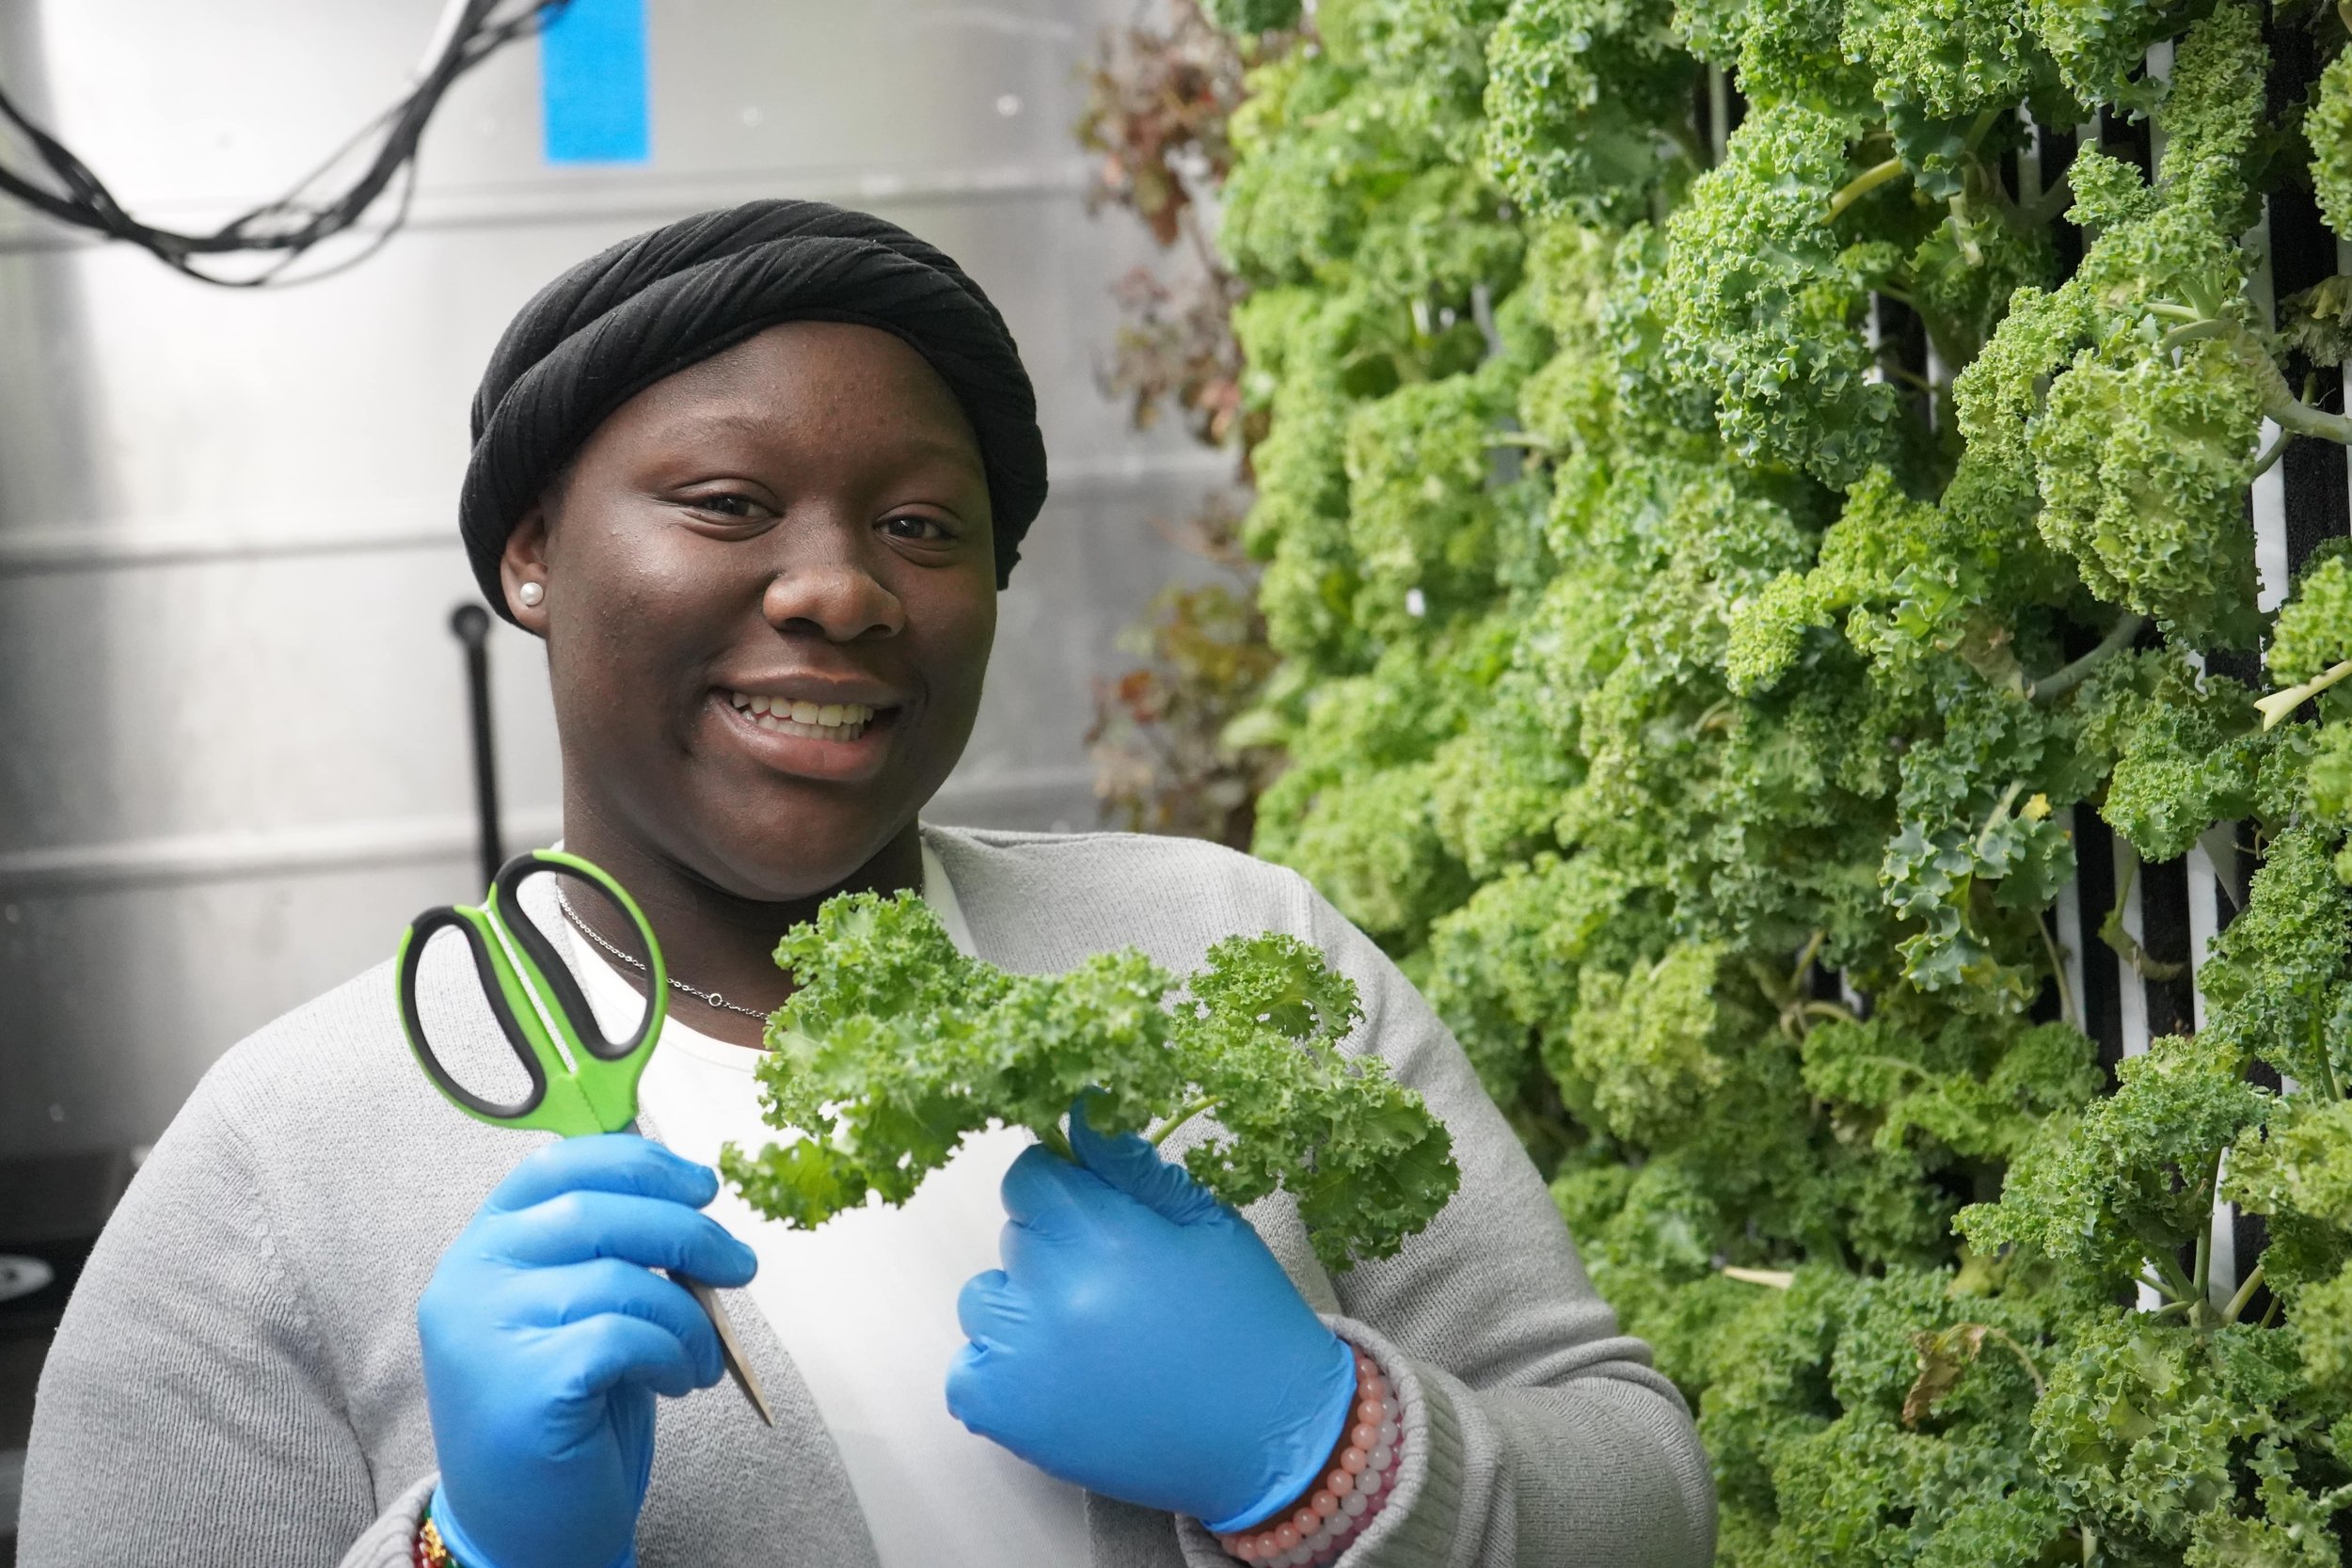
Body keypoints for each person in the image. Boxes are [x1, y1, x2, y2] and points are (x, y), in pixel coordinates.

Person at [19, 201, 1713, 1568]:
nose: (838, 589)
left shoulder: (1231, 944)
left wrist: (1321, 1451)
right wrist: (471, 1554)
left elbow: (1646, 1495)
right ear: (532, 555)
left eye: (924, 528)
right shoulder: (273, 1167)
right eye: (726, 503)